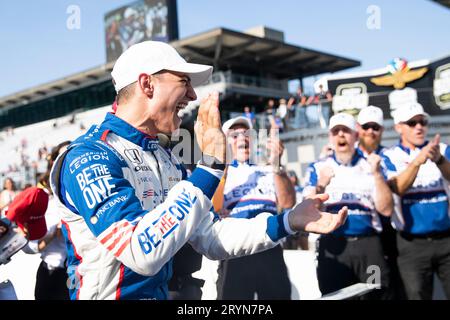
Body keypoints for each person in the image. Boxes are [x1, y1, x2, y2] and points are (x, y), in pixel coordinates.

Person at [49, 41, 347, 300]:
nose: (192, 95)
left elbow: (211, 236)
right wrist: (211, 165)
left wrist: (290, 220)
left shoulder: (164, 156)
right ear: (147, 84)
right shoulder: (88, 157)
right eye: (184, 81)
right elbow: (141, 252)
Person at [303, 112, 393, 299]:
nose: (341, 135)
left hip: (369, 247)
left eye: (346, 131)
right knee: (335, 296)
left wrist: (377, 175)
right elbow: (308, 212)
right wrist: (320, 185)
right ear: (330, 137)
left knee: (377, 295)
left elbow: (386, 209)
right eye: (336, 131)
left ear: (356, 135)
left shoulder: (372, 164)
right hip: (334, 246)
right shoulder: (317, 168)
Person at [214, 116, 295, 300]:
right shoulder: (219, 173)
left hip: (270, 249)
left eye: (246, 134)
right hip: (234, 251)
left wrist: (277, 166)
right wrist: (222, 164)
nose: (242, 138)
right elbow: (212, 207)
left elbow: (288, 202)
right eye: (235, 135)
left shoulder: (268, 170)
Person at [383, 102, 450, 300]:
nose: (419, 127)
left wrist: (439, 160)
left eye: (422, 122)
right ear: (398, 127)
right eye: (412, 123)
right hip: (412, 244)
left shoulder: (443, 149)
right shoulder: (389, 156)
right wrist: (417, 162)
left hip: (447, 240)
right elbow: (398, 187)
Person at [357, 106, 405, 299]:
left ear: (382, 130)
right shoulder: (345, 156)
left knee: (382, 289)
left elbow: (398, 186)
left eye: (375, 127)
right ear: (358, 129)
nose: (370, 131)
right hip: (361, 235)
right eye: (366, 126)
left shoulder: (391, 156)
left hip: (388, 233)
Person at [24, 141, 71, 300]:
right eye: (63, 157)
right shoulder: (44, 201)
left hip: (84, 274)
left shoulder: (88, 197)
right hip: (52, 274)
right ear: (53, 163)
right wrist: (54, 234)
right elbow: (30, 246)